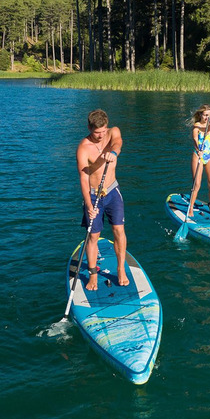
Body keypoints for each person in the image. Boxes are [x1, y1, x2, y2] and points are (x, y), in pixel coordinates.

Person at [76, 109, 128, 291]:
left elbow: (118, 142)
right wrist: (89, 206)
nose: (101, 136)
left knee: (118, 230)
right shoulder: (83, 148)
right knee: (94, 236)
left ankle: (121, 268)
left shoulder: (113, 132)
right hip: (93, 195)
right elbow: (83, 178)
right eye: (97, 132)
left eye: (103, 131)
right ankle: (93, 275)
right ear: (89, 128)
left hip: (113, 191)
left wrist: (113, 153)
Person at [186, 104, 210, 218]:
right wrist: (197, 149)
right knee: (197, 184)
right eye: (205, 115)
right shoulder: (196, 126)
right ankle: (190, 208)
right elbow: (195, 139)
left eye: (209, 115)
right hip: (198, 155)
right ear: (200, 114)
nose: (207, 118)